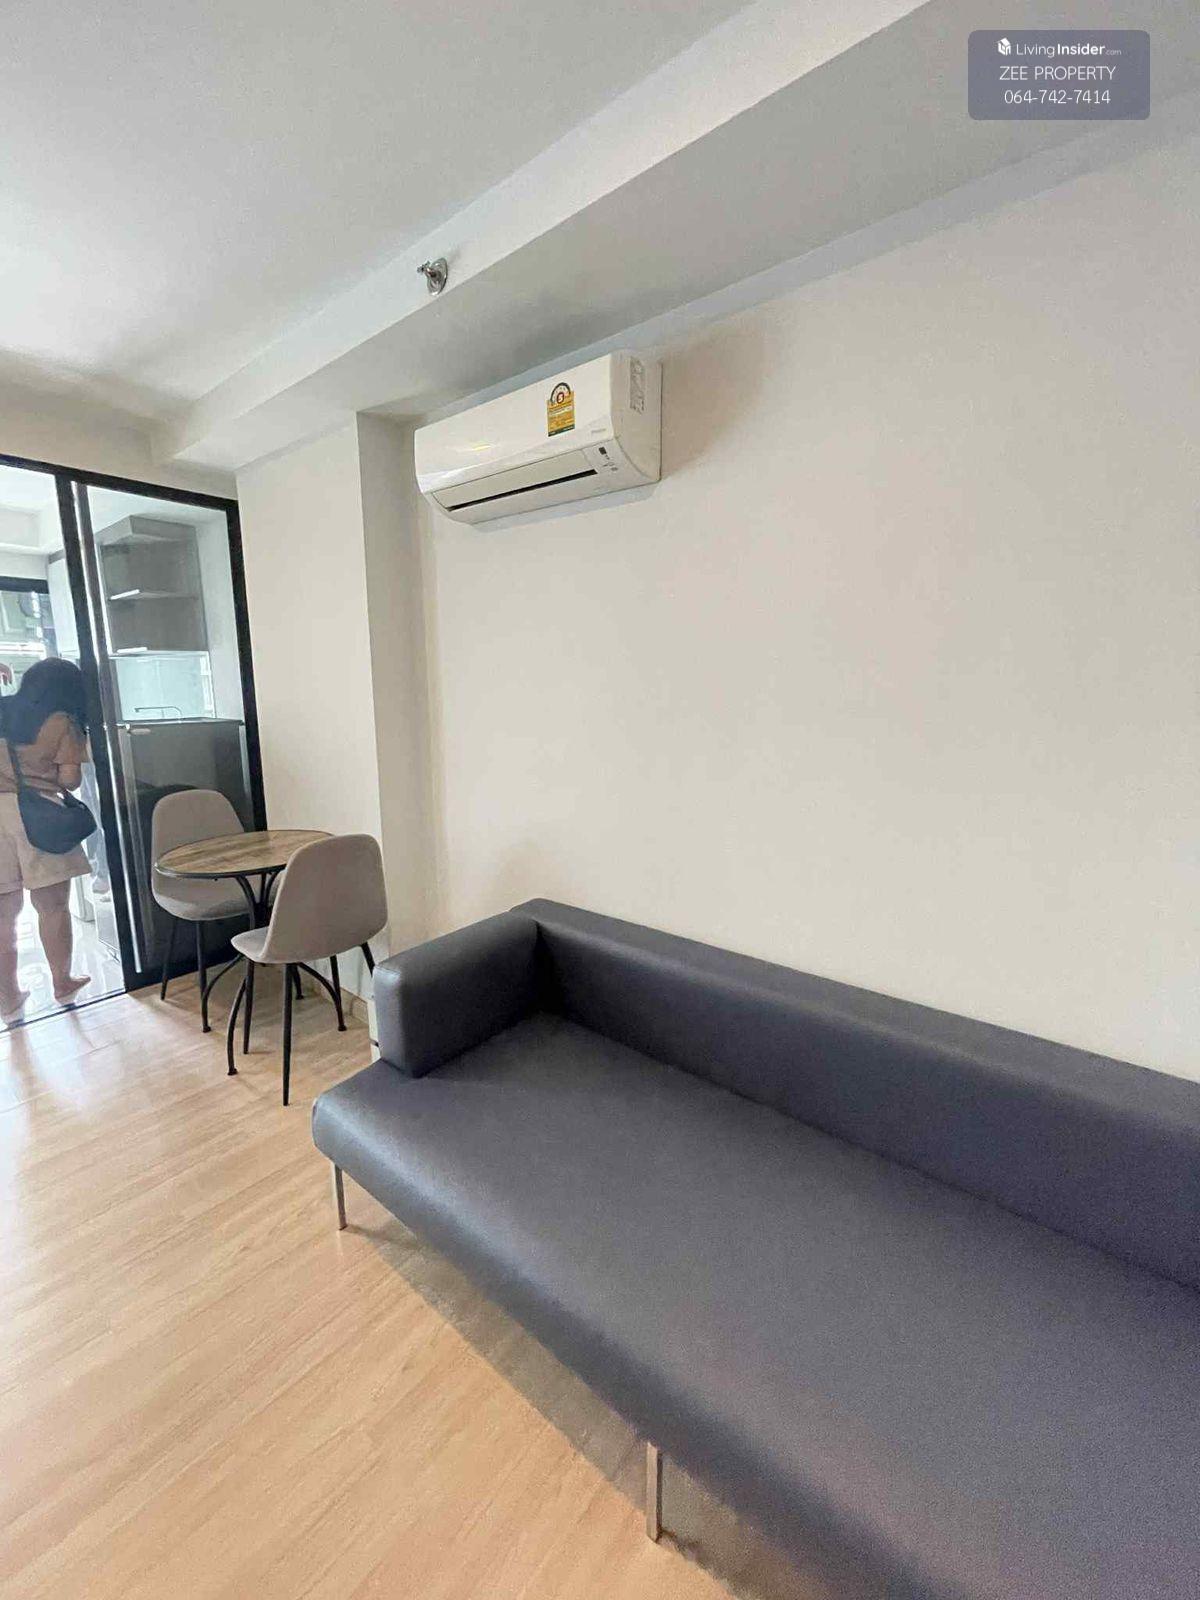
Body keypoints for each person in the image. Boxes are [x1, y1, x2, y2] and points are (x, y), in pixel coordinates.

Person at [0, 658, 94, 1019]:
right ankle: (61, 982)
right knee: (52, 907)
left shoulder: (3, 709)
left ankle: (8, 998)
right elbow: (70, 780)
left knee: (4, 916)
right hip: (40, 816)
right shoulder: (62, 722)